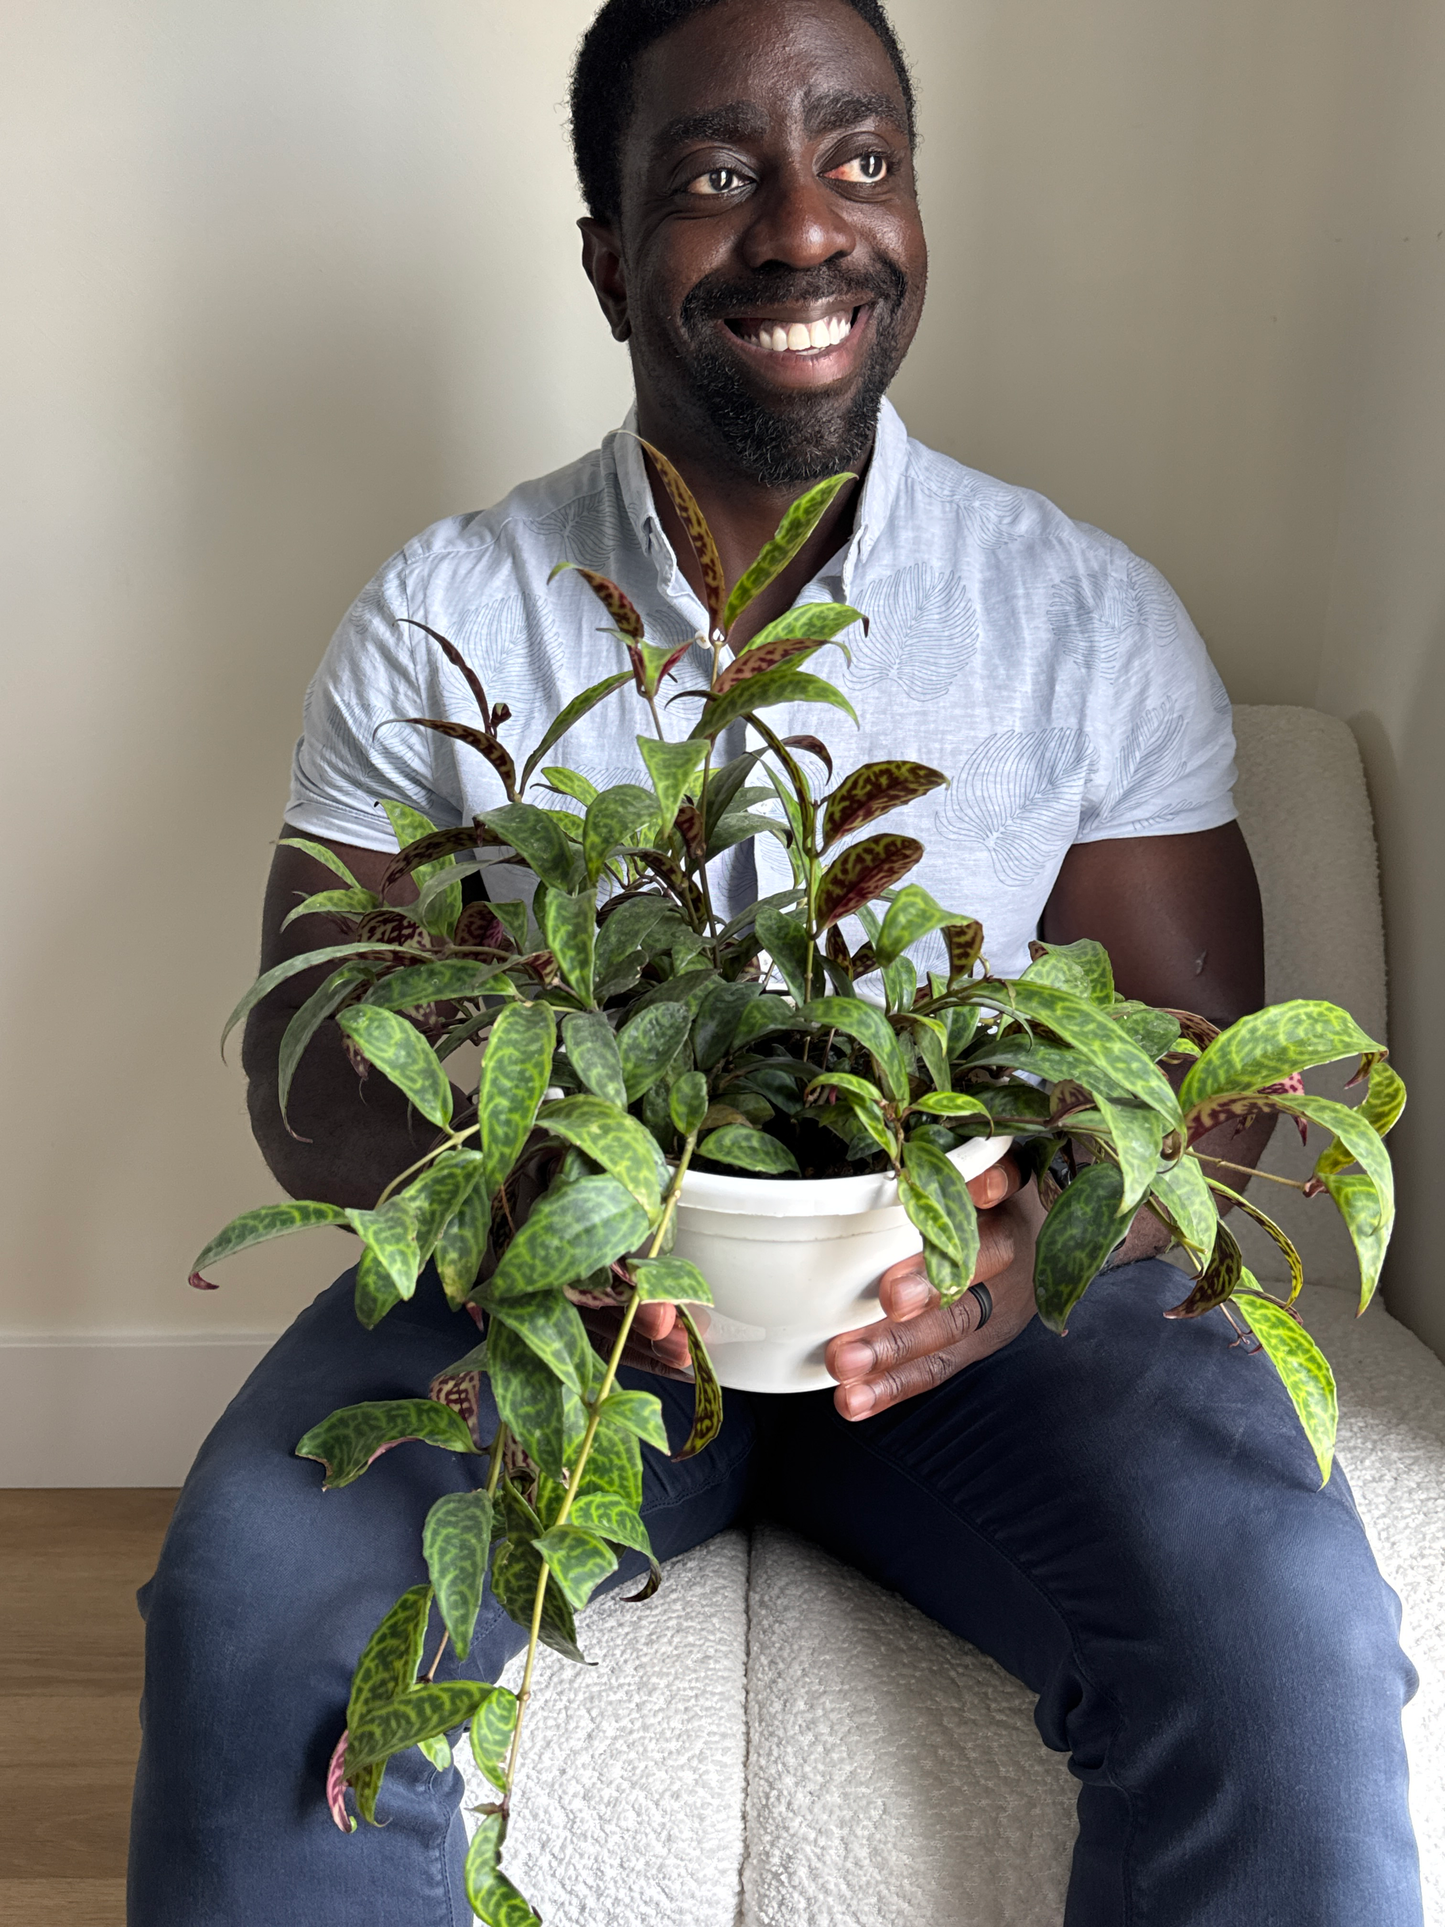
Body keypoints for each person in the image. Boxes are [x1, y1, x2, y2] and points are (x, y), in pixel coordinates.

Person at [128, 1, 1422, 1920]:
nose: (807, 228)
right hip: (561, 1314)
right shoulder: (446, 618)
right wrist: (534, 1208)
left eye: (863, 157)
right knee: (255, 1598)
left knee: (1288, 1635)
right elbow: (308, 1071)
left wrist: (1032, 1242)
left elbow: (1195, 1074)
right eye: (718, 178)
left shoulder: (1080, 613)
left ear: (916, 208)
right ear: (605, 256)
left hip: (984, 1334)